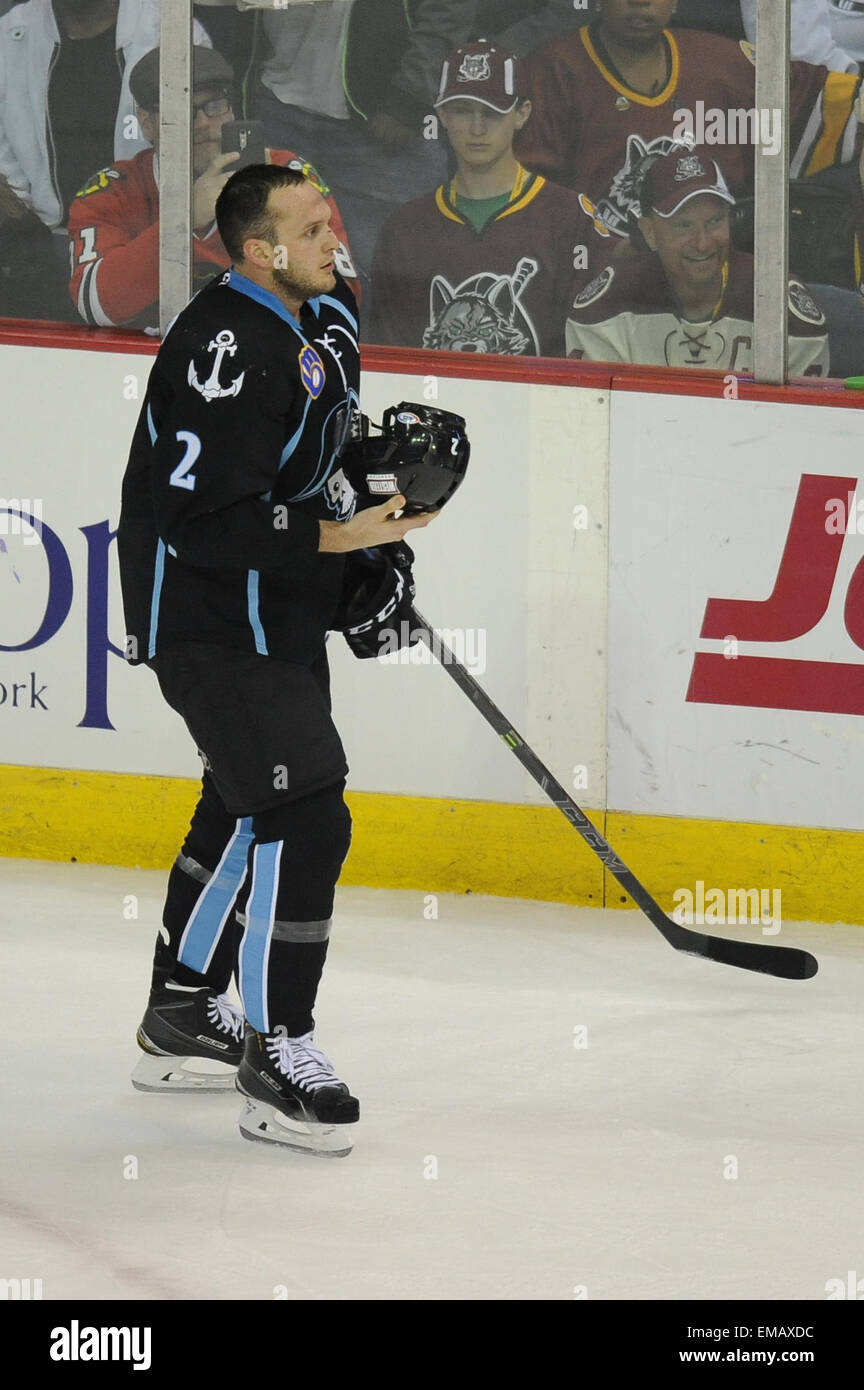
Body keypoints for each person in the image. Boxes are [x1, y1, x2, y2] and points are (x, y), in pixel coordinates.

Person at [118, 161, 438, 1156]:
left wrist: (373, 532)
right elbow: (205, 522)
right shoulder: (224, 343)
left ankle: (180, 1010)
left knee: (247, 795)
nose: (331, 232)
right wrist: (339, 545)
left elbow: (323, 455)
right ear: (260, 250)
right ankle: (277, 1048)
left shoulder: (324, 306)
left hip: (277, 611)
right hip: (207, 617)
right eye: (309, 224)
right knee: (306, 807)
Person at [516, 0, 863, 242]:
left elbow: (841, 107)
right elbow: (527, 216)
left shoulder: (725, 66)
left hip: (719, 293)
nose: (640, 2)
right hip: (602, 297)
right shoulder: (551, 74)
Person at [67, 44, 358, 329]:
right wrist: (184, 220)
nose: (203, 123)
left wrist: (266, 219)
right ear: (147, 123)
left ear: (231, 111)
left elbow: (339, 301)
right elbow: (95, 306)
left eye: (215, 106)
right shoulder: (111, 190)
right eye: (182, 109)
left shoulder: (289, 177)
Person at [369, 38, 590, 356]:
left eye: (492, 112)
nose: (476, 127)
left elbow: (591, 348)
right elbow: (389, 356)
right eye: (462, 111)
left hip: (542, 403)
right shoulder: (405, 228)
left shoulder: (570, 217)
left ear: (522, 114)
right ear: (442, 116)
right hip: (430, 403)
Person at [565, 146, 830, 377]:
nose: (702, 243)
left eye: (715, 221)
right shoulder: (605, 307)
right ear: (649, 232)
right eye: (683, 226)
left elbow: (795, 428)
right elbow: (598, 423)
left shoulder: (780, 306)